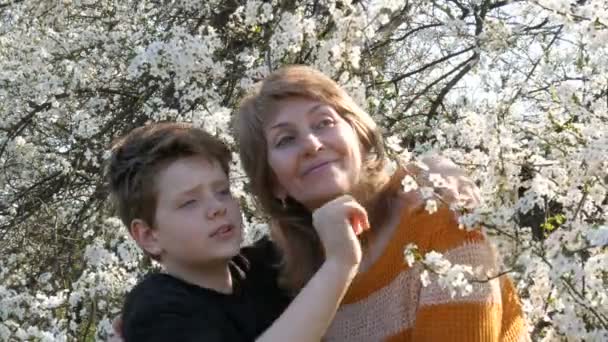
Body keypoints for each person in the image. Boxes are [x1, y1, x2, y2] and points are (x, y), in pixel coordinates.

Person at [236, 65, 530, 341]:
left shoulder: (436, 213)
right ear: (273, 182)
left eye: (324, 122)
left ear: (359, 136)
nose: (312, 144)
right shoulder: (290, 279)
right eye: (285, 140)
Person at [106, 122, 369, 341]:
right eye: (189, 203)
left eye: (222, 191)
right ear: (149, 236)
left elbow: (309, 223)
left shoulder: (265, 266)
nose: (216, 208)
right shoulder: (156, 309)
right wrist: (339, 264)